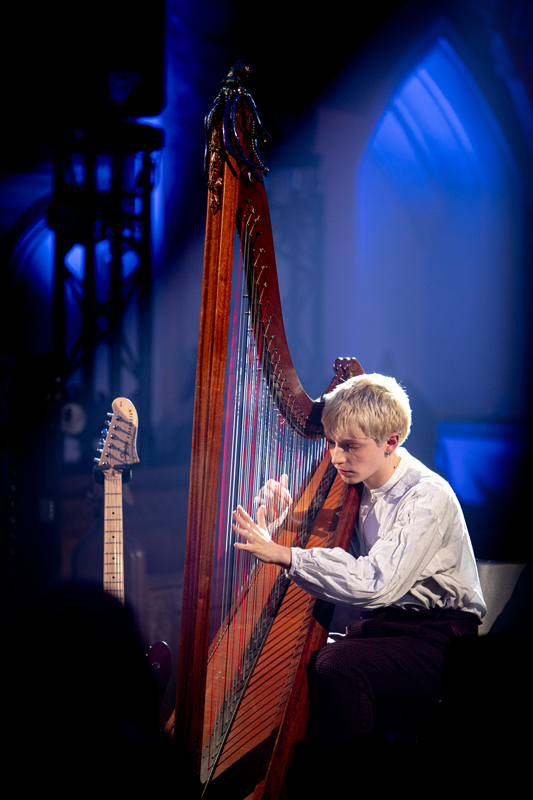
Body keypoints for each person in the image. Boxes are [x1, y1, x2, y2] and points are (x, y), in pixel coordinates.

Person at [232, 373, 486, 742]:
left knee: (335, 665)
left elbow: (374, 584)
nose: (336, 457)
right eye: (332, 443)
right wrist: (280, 523)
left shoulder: (427, 497)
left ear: (391, 442)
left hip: (440, 641)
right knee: (286, 664)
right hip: (386, 630)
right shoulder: (355, 487)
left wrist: (286, 554)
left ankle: (353, 778)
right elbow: (334, 556)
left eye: (350, 446)